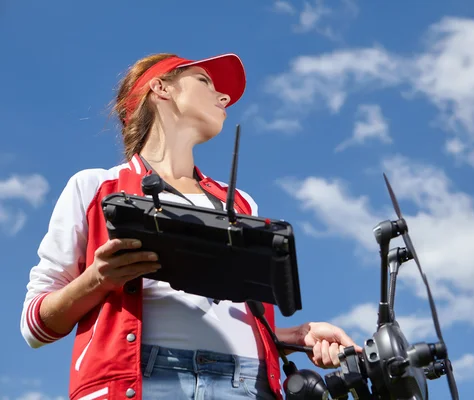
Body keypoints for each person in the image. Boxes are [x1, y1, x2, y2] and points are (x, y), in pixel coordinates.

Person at [20, 53, 360, 400]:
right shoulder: (94, 187)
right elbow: (35, 326)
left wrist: (294, 336)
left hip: (247, 385)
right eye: (205, 81)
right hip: (141, 381)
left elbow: (227, 315)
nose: (224, 98)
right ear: (160, 87)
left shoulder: (242, 204)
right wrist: (98, 279)